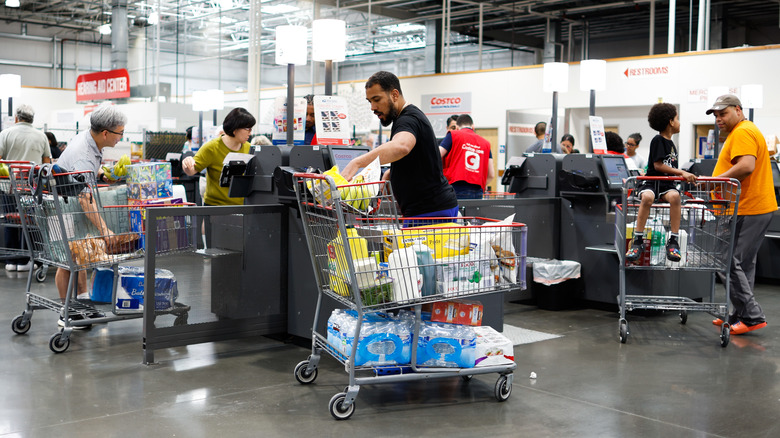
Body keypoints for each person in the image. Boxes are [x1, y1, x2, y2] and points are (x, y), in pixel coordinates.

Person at [341, 71, 457, 224]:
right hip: (428, 208)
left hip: (429, 211)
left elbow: (401, 146)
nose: (372, 107)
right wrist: (391, 173)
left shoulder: (407, 119)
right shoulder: (407, 118)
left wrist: (356, 163)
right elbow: (417, 158)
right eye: (369, 101)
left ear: (394, 94)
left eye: (377, 99)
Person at [708, 94, 776, 335]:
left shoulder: (742, 132)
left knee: (726, 262)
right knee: (742, 264)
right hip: (753, 207)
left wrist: (712, 183)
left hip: (749, 207)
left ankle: (752, 315)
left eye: (723, 113)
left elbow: (746, 166)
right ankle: (739, 314)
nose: (718, 119)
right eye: (715, 115)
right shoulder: (746, 130)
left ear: (738, 110)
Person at [54, 104, 128, 326]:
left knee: (80, 253)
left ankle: (83, 303)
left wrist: (100, 174)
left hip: (70, 201)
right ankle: (66, 312)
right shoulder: (85, 154)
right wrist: (105, 230)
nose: (121, 137)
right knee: (67, 261)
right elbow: (85, 199)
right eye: (120, 133)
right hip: (64, 206)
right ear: (105, 132)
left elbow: (82, 177)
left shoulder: (89, 140)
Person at [625, 103, 696, 264]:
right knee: (647, 198)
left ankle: (673, 240)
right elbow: (658, 165)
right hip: (652, 183)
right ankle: (638, 240)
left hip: (666, 186)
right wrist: (681, 172)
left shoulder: (671, 144)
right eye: (677, 118)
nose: (679, 122)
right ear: (671, 121)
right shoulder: (658, 140)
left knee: (676, 197)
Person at [0, 104, 52, 272]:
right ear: (32, 119)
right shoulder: (41, 136)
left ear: (16, 118)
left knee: (10, 220)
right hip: (32, 188)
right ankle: (30, 259)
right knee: (30, 222)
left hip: (9, 186)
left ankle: (12, 261)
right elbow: (47, 164)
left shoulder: (5, 134)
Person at [182, 107, 255, 206]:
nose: (250, 133)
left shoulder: (250, 149)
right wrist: (186, 163)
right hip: (215, 207)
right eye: (248, 129)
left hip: (242, 207)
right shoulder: (211, 147)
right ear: (235, 129)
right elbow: (191, 170)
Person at [439, 114, 495, 199]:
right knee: (473, 212)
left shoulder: (453, 135)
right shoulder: (486, 143)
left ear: (457, 127)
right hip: (478, 190)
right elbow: (491, 174)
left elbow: (436, 155)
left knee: (456, 212)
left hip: (455, 188)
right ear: (473, 126)